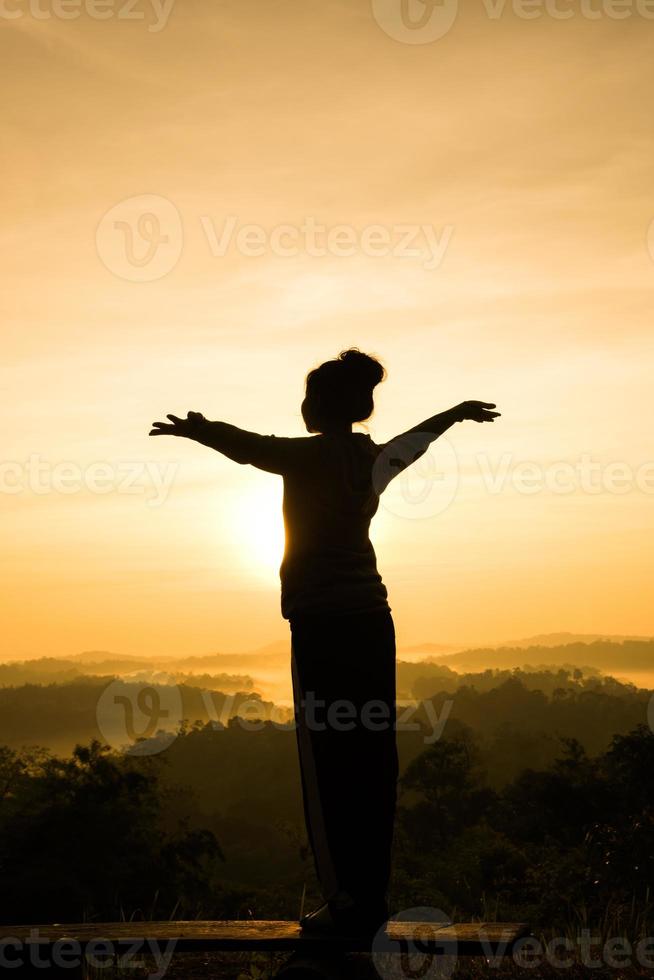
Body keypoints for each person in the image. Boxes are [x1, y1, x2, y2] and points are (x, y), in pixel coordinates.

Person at [149, 348, 500, 936]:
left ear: (324, 405)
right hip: (371, 620)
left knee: (330, 763)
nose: (303, 407)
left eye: (309, 398)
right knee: (371, 756)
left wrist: (200, 430)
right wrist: (456, 413)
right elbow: (417, 439)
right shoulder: (372, 457)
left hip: (322, 625)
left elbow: (249, 445)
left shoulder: (305, 457)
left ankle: (345, 904)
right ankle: (369, 897)